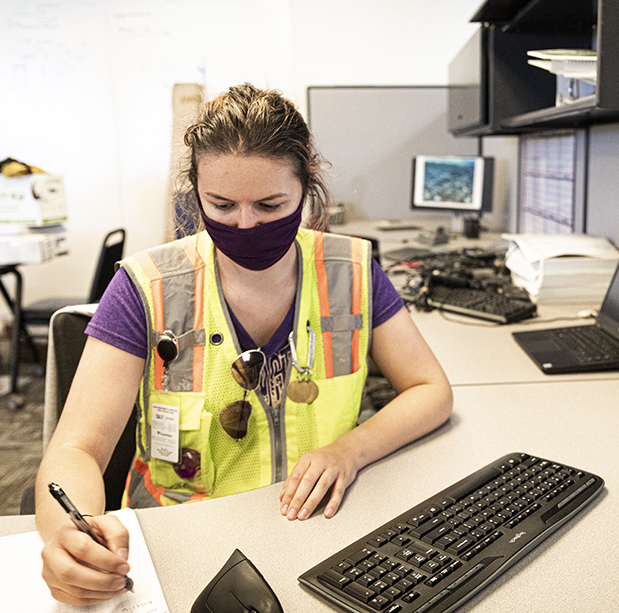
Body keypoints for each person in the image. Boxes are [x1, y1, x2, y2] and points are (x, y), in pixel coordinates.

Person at [34, 83, 453, 605]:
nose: (246, 223)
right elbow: (76, 448)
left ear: (308, 186)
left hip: (318, 532)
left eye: (271, 203)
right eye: (222, 204)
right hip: (182, 542)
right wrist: (67, 538)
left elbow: (430, 388)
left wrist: (351, 450)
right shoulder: (147, 287)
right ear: (196, 192)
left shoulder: (350, 270)